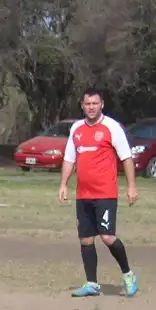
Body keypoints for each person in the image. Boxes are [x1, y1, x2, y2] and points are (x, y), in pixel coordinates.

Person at [57, 89, 138, 297]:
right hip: (83, 194)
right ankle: (91, 283)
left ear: (102, 104)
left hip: (105, 193)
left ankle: (128, 274)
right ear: (82, 105)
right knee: (86, 239)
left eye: (95, 103)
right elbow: (69, 159)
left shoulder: (112, 127)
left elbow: (126, 158)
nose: (91, 107)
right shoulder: (76, 129)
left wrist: (131, 186)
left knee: (108, 236)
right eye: (87, 103)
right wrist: (63, 184)